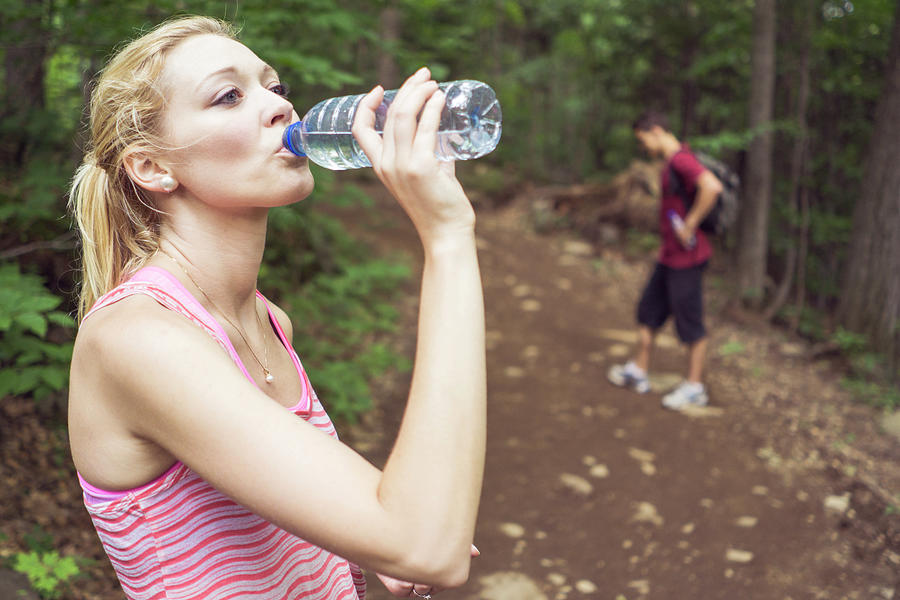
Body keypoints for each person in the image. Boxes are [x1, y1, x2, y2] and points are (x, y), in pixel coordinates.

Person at [67, 15, 486, 600]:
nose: (278, 106)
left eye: (275, 87)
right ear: (153, 167)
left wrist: (366, 540)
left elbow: (384, 523)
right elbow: (426, 545)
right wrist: (447, 235)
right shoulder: (138, 340)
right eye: (229, 95)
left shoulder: (267, 319)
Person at [607, 111, 722, 410]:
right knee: (648, 311)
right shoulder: (673, 161)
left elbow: (711, 187)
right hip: (669, 257)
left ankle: (695, 387)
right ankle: (638, 370)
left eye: (643, 139)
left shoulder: (681, 160)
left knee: (690, 323)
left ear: (655, 131)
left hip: (688, 259)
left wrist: (690, 224)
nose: (643, 146)